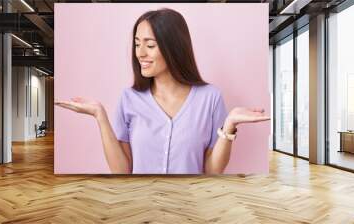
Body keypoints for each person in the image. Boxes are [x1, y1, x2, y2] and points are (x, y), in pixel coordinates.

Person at [55, 8, 270, 174]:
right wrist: (99, 116)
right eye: (137, 44)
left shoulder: (210, 98)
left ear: (173, 47)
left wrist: (229, 125)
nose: (140, 53)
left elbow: (213, 170)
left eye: (150, 45)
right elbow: (122, 171)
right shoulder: (129, 99)